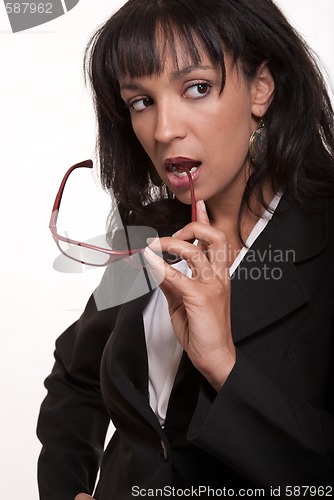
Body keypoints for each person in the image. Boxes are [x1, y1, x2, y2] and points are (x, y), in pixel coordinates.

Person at [37, 0, 334, 498]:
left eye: (197, 88)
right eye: (140, 101)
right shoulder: (152, 239)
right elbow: (75, 377)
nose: (164, 129)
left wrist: (223, 364)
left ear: (261, 88)